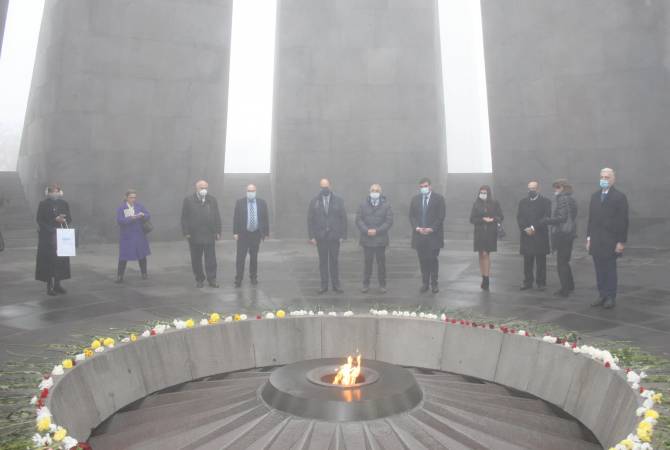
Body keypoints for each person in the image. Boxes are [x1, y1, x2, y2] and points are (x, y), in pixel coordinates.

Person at [587, 168, 628, 309]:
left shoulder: (619, 197)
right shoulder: (595, 196)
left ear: (613, 179)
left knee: (610, 269)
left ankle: (611, 296)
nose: (604, 179)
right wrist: (588, 238)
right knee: (599, 269)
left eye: (607, 177)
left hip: (611, 241)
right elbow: (591, 219)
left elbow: (623, 221)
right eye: (602, 177)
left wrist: (621, 241)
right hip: (596, 240)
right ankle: (602, 294)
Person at [307, 178, 347, 294]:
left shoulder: (339, 200)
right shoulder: (314, 201)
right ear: (320, 187)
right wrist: (312, 236)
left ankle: (336, 285)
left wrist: (343, 235)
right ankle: (324, 285)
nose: (325, 188)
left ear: (330, 186)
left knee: (334, 261)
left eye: (326, 186)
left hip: (334, 237)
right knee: (323, 262)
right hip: (321, 237)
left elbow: (343, 218)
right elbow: (310, 220)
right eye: (322, 186)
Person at [181, 180, 222, 288]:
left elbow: (217, 216)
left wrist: (218, 231)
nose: (204, 190)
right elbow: (184, 217)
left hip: (209, 234)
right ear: (196, 188)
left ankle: (212, 279)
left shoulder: (212, 200)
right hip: (194, 235)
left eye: (206, 188)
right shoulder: (189, 200)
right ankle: (199, 279)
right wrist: (186, 232)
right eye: (202, 188)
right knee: (196, 259)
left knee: (211, 259)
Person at [409, 177, 446, 293]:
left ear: (430, 186)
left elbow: (441, 216)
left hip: (433, 235)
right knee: (422, 260)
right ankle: (425, 283)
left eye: (425, 186)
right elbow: (412, 216)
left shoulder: (439, 199)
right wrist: (417, 228)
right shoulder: (415, 199)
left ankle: (434, 283)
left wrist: (432, 228)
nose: (423, 188)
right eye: (421, 187)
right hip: (419, 235)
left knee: (432, 259)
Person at [355, 184, 394, 293]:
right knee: (367, 263)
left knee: (381, 264)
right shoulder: (363, 205)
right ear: (369, 192)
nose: (375, 192)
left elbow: (389, 221)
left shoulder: (386, 205)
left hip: (380, 240)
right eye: (373, 190)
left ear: (380, 192)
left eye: (377, 190)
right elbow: (358, 220)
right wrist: (366, 230)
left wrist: (377, 231)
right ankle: (365, 284)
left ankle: (382, 285)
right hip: (367, 239)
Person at [542, 179, 578, 297]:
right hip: (569, 233)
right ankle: (570, 285)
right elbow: (572, 215)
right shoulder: (571, 199)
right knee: (565, 260)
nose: (555, 190)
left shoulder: (562, 199)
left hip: (562, 234)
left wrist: (547, 221)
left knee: (561, 262)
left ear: (562, 187)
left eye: (556, 187)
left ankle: (565, 289)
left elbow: (561, 217)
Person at [35, 184, 71, 296]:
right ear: (48, 193)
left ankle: (58, 284)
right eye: (52, 191)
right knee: (49, 262)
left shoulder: (64, 203)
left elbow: (69, 218)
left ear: (60, 192)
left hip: (61, 236)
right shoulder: (43, 204)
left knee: (60, 261)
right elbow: (40, 220)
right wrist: (53, 222)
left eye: (57, 191)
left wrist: (63, 220)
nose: (55, 193)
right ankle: (49, 286)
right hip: (48, 237)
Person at [516, 180, 551, 291]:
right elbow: (519, 217)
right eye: (530, 188)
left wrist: (533, 227)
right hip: (526, 235)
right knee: (527, 260)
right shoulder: (523, 202)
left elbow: (546, 217)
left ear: (538, 189)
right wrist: (525, 228)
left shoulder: (546, 202)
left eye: (533, 189)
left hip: (540, 234)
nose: (531, 191)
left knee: (541, 260)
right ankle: (528, 282)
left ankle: (541, 283)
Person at [233, 184, 269, 287]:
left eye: (252, 191)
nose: (251, 192)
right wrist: (235, 232)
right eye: (249, 191)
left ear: (256, 191)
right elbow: (236, 218)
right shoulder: (240, 202)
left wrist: (266, 233)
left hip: (256, 234)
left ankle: (253, 277)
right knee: (240, 257)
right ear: (246, 191)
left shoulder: (262, 203)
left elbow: (265, 218)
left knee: (254, 257)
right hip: (243, 234)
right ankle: (238, 279)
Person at [470, 185, 503, 291]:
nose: (483, 194)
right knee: (481, 254)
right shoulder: (476, 204)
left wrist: (492, 219)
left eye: (485, 192)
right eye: (481, 192)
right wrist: (483, 219)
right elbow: (472, 219)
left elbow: (501, 216)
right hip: (479, 232)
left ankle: (486, 278)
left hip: (490, 232)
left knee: (486, 253)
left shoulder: (495, 203)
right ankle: (483, 276)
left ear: (488, 193)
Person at [115, 189, 151, 283]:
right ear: (126, 197)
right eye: (131, 197)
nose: (133, 199)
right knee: (123, 256)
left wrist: (143, 215)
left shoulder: (139, 206)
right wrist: (131, 218)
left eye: (134, 197)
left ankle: (144, 273)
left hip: (139, 235)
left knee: (141, 254)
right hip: (127, 236)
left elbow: (148, 215)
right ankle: (120, 276)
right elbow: (120, 221)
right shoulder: (121, 208)